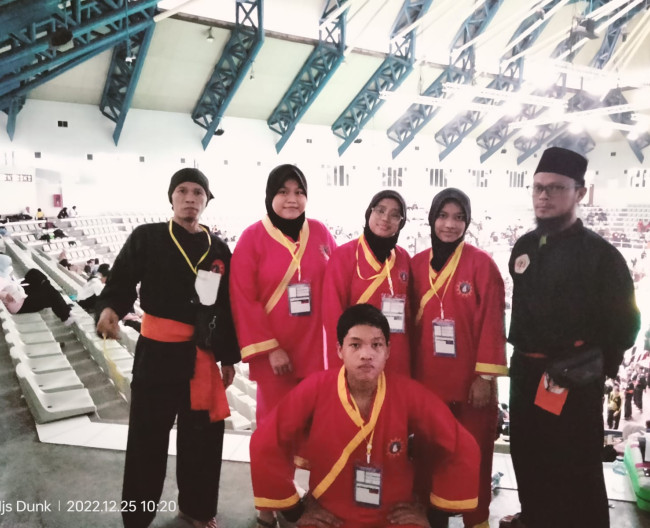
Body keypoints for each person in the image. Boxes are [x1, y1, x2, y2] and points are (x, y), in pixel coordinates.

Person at [501, 147, 640, 528]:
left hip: (572, 380)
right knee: (527, 456)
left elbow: (626, 325)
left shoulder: (601, 255)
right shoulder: (524, 246)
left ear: (580, 193)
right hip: (525, 375)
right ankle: (535, 518)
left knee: (574, 466)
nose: (543, 196)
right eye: (538, 188)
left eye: (556, 188)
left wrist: (589, 364)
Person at [95, 168, 240, 528]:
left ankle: (197, 509)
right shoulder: (148, 237)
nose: (190, 198)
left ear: (207, 200)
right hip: (157, 353)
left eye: (198, 192)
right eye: (182, 191)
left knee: (202, 440)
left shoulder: (218, 249)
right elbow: (121, 280)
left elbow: (225, 307)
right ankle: (137, 517)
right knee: (147, 439)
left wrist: (228, 357)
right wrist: (110, 309)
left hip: (201, 356)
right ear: (171, 197)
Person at [250, 304, 481, 528]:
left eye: (376, 345)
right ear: (339, 350)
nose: (366, 355)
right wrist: (295, 511)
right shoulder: (315, 388)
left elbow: (463, 446)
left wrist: (435, 515)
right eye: (355, 345)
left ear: (387, 351)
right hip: (329, 513)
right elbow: (265, 441)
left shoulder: (409, 393)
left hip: (393, 515)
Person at [230, 164, 336, 528]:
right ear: (270, 196)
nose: (292, 200)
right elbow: (243, 298)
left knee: (320, 433)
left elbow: (338, 280)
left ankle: (317, 500)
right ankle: (268, 506)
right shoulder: (252, 238)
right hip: (276, 357)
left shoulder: (320, 232)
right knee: (273, 434)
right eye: (283, 192)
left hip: (318, 353)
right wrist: (270, 348)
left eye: (299, 192)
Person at [411, 188, 507, 528]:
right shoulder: (416, 264)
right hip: (427, 384)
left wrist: (485, 378)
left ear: (467, 222)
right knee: (428, 458)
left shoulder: (482, 264)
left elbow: (493, 323)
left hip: (471, 387)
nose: (450, 225)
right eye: (443, 216)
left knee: (472, 458)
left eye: (458, 217)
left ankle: (476, 521)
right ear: (431, 219)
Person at [322, 190, 411, 375]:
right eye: (380, 210)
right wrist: (341, 362)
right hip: (359, 354)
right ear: (369, 212)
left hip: (396, 354)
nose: (386, 218)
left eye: (395, 215)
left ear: (401, 223)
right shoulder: (344, 256)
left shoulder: (403, 258)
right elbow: (332, 313)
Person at [0, 253, 76, 325]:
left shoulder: (3, 275)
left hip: (19, 292)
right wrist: (5, 295)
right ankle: (66, 316)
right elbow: (6, 295)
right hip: (20, 304)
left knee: (33, 272)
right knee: (49, 291)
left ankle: (56, 299)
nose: (9, 267)